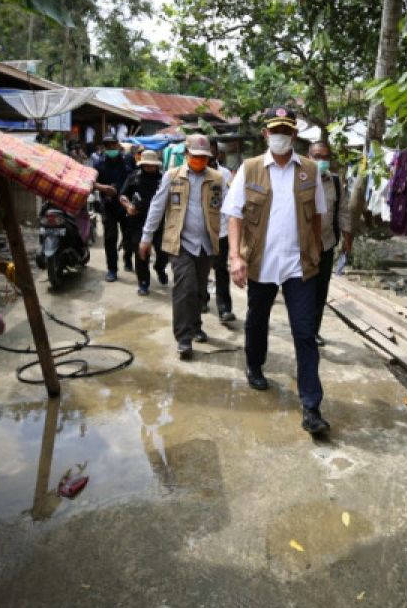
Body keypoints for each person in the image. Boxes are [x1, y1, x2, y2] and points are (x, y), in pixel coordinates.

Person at [223, 107, 329, 435]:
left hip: (299, 266)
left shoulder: (309, 171)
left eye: (287, 130)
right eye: (275, 130)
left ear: (294, 135)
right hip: (261, 263)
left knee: (304, 333)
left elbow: (316, 217)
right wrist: (235, 258)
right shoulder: (250, 168)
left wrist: (315, 256)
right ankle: (255, 365)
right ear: (266, 134)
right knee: (258, 320)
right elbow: (234, 214)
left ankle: (311, 407)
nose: (281, 135)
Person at [139, 134, 226, 360]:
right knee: (184, 288)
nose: (199, 160)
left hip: (206, 244)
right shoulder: (172, 176)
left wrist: (228, 241)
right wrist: (146, 237)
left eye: (204, 157)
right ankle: (184, 338)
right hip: (180, 243)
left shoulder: (217, 178)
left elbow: (226, 211)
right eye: (195, 156)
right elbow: (157, 207)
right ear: (186, 155)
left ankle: (196, 326)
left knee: (198, 290)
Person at [309, 140, 354, 347]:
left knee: (320, 290)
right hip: (303, 246)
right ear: (309, 157)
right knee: (302, 290)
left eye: (325, 157)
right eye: (317, 156)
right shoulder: (300, 179)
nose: (321, 160)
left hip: (326, 242)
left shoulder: (335, 182)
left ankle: (313, 331)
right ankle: (302, 329)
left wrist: (347, 238)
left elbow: (344, 210)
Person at [118, 149, 169, 295]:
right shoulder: (133, 178)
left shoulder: (164, 179)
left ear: (157, 165)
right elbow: (122, 196)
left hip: (160, 223)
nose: (149, 167)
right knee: (142, 254)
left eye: (152, 165)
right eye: (146, 164)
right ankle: (143, 282)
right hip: (138, 222)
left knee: (164, 253)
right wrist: (128, 206)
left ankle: (160, 268)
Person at [92, 132, 137, 282]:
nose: (110, 147)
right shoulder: (99, 164)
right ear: (104, 147)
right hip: (109, 206)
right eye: (107, 145)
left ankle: (128, 258)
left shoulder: (128, 160)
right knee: (110, 238)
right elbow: (91, 183)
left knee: (129, 235)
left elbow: (137, 177)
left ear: (118, 145)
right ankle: (112, 269)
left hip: (127, 205)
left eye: (112, 144)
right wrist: (104, 188)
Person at [204, 138, 236, 323]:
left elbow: (230, 202)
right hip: (199, 230)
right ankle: (202, 300)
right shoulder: (190, 171)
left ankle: (224, 308)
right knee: (202, 269)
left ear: (217, 151)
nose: (208, 152)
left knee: (221, 269)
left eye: (211, 148)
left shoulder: (225, 174)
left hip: (221, 230)